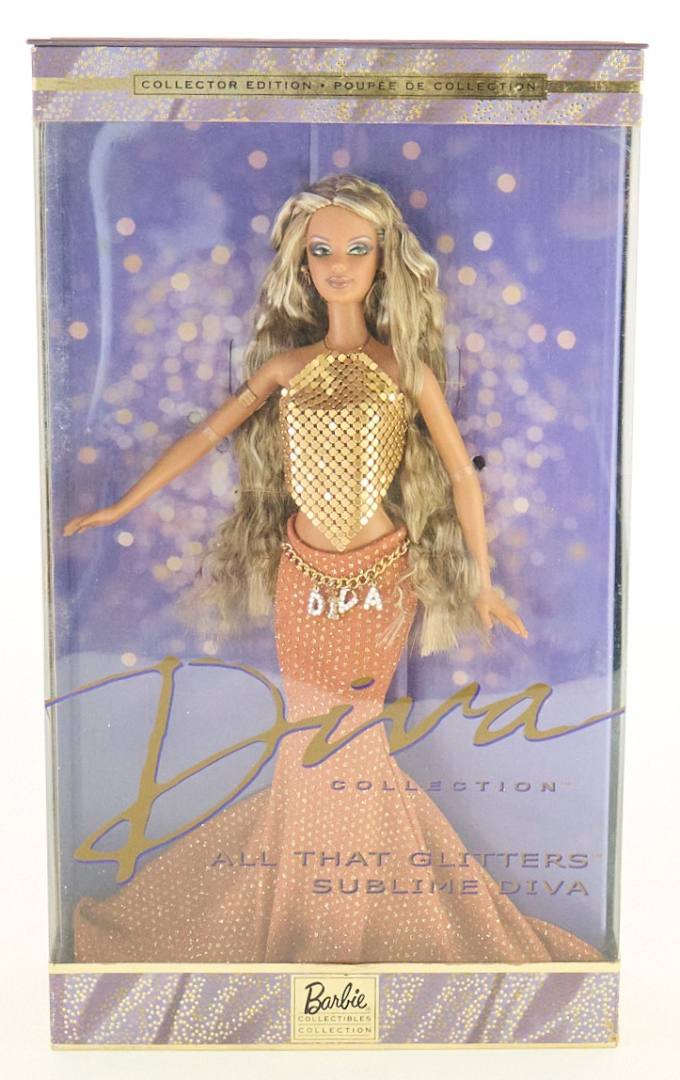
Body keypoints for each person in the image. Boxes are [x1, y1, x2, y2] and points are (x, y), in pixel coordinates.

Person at [65, 174, 598, 965]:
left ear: (382, 260)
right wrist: (120, 505)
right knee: (309, 740)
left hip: (381, 578)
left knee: (351, 742)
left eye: (356, 249)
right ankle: (314, 911)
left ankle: (349, 920)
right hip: (303, 575)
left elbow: (461, 475)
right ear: (301, 262)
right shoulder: (286, 367)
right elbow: (207, 435)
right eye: (322, 251)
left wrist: (481, 578)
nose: (339, 265)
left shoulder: (404, 369)